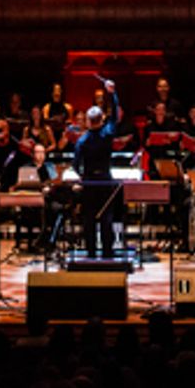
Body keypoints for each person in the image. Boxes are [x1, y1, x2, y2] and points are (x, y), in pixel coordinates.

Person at [73, 78, 122, 257]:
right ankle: (107, 251)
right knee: (106, 217)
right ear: (101, 119)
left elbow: (75, 164)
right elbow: (115, 115)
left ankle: (91, 252)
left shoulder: (82, 140)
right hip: (105, 181)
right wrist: (112, 94)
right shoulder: (107, 133)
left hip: (89, 182)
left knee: (89, 218)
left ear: (88, 121)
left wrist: (82, 175)